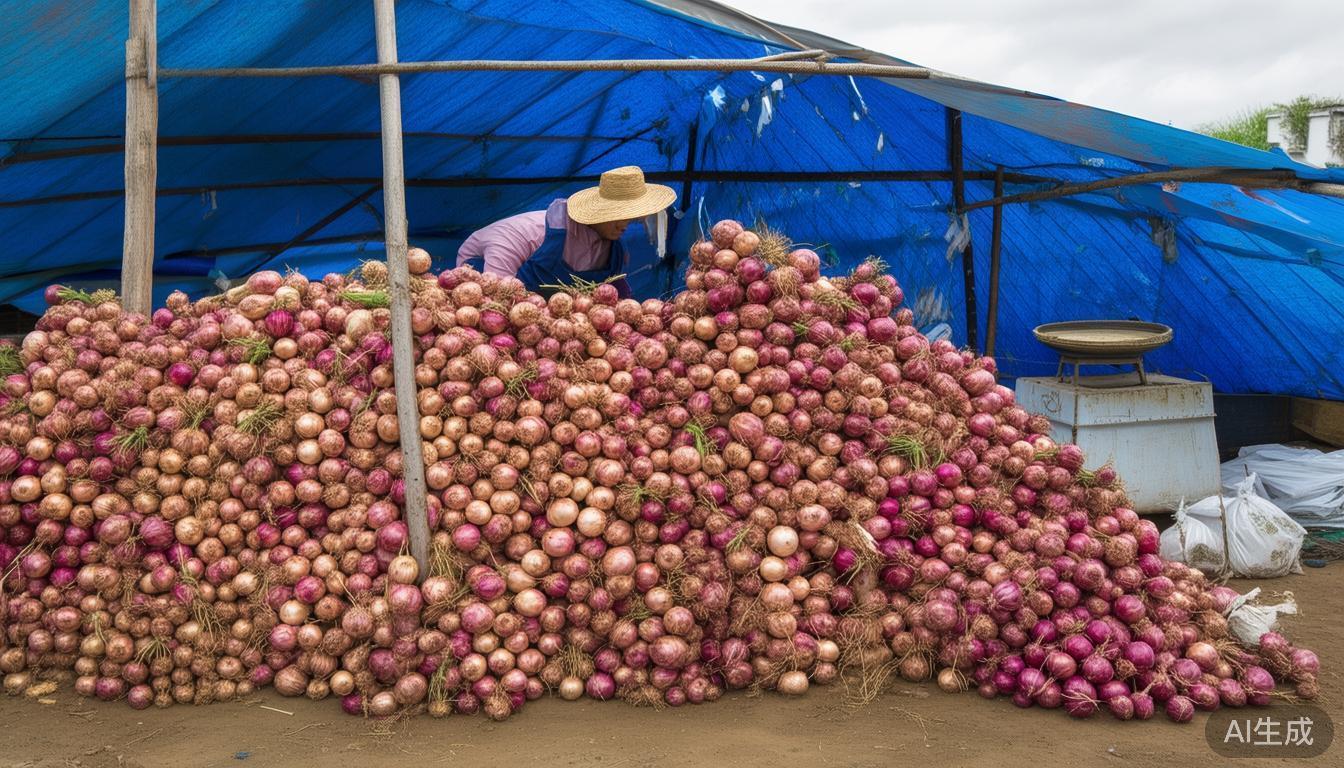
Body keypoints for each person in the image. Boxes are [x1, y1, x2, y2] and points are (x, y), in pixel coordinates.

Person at [457, 166, 675, 298]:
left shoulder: (613, 245)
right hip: (486, 280)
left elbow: (610, 290)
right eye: (617, 216)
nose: (624, 225)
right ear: (597, 211)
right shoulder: (522, 235)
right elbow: (495, 299)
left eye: (631, 216)